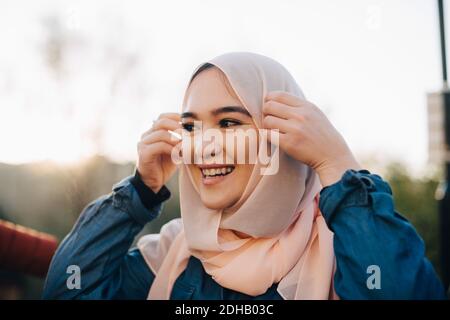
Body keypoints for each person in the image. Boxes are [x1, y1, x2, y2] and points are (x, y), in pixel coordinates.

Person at [43, 52, 446, 300]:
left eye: (230, 123)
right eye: (191, 127)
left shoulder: (347, 249)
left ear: (283, 137)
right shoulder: (172, 251)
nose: (204, 145)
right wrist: (137, 193)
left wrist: (339, 166)